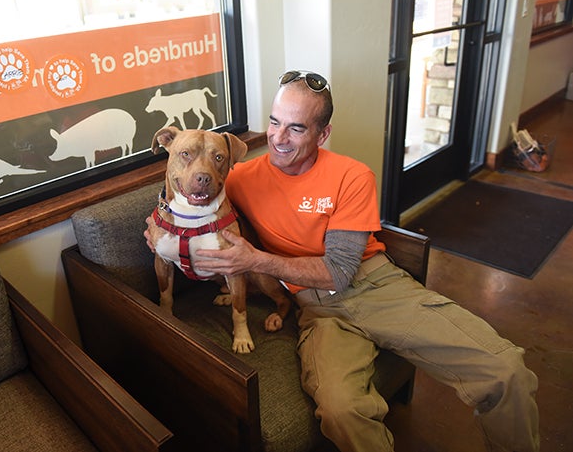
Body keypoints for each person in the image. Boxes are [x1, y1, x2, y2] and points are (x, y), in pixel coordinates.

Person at [190, 70, 540, 452]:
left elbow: (340, 271)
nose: (278, 137)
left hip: (375, 287)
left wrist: (257, 260)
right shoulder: (241, 179)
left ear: (322, 135)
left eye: (296, 128)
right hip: (317, 311)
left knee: (505, 371)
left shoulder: (351, 176)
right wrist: (158, 224)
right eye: (274, 122)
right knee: (342, 411)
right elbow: (193, 196)